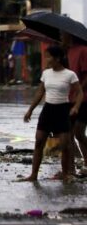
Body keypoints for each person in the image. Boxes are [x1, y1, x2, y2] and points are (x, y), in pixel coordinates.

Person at [18, 45, 82, 183]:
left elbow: (80, 92)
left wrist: (76, 106)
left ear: (57, 58)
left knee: (65, 145)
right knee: (39, 142)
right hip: (48, 110)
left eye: (48, 56)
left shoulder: (70, 74)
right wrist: (30, 110)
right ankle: (33, 175)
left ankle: (66, 174)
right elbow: (40, 92)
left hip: (62, 110)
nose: (46, 59)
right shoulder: (46, 73)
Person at [61, 32, 87, 176]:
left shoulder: (83, 50)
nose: (60, 36)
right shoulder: (68, 52)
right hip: (69, 98)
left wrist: (79, 89)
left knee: (78, 132)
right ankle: (70, 169)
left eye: (62, 34)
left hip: (84, 99)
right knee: (68, 134)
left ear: (69, 35)